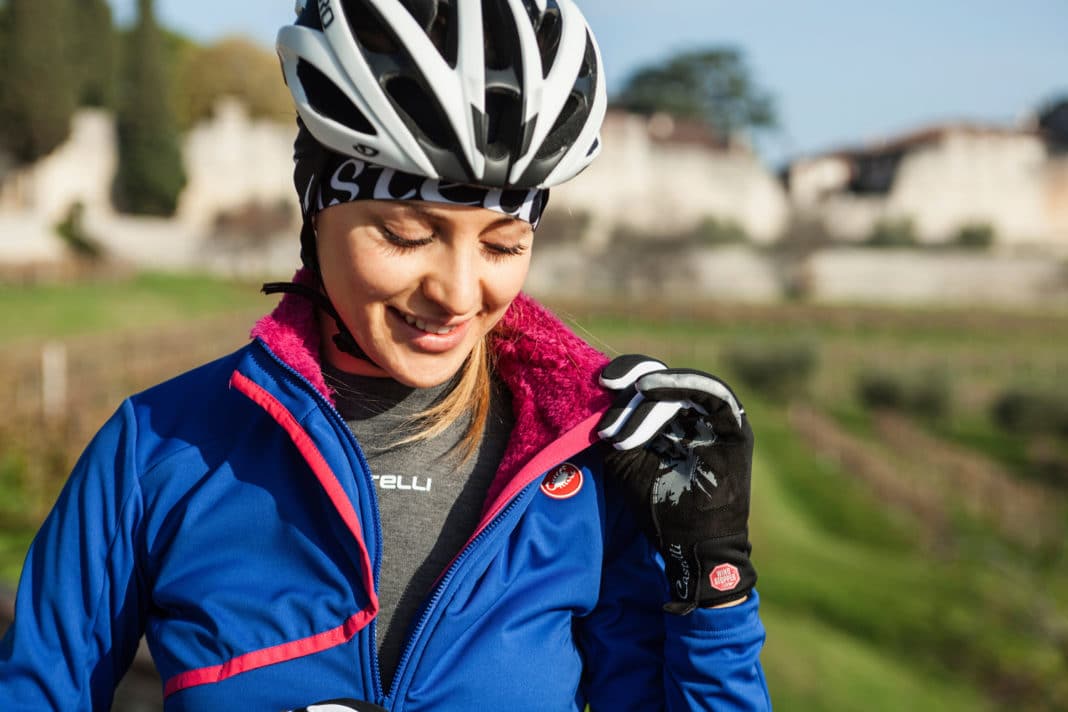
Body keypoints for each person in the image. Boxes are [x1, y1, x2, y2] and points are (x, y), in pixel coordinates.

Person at [0, 1, 770, 710]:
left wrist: (714, 583)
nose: (458, 292)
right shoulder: (156, 449)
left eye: (504, 244)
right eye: (406, 235)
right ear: (316, 205)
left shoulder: (592, 469)